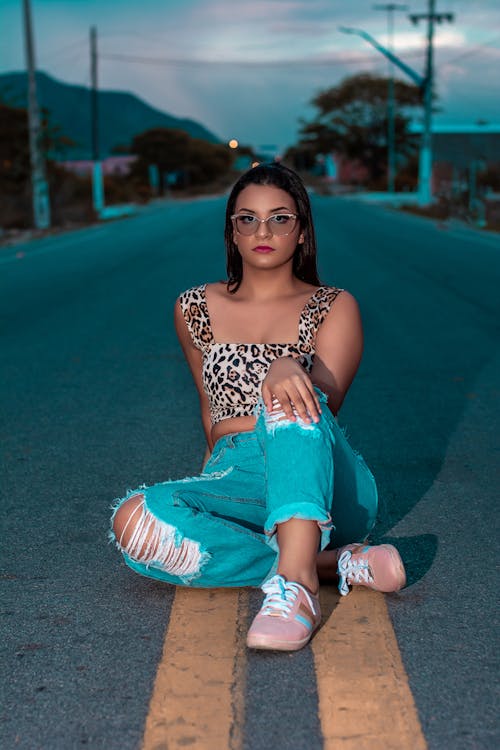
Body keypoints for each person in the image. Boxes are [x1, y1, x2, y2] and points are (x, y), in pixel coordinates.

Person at [110, 162, 406, 652]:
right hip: (237, 478)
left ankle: (298, 586)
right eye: (247, 219)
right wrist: (210, 483)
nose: (262, 231)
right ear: (232, 230)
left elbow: (319, 414)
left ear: (302, 231)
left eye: (280, 218)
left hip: (320, 479)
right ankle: (334, 563)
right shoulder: (194, 308)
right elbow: (211, 413)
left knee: (289, 401)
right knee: (137, 522)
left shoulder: (334, 305)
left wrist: (286, 367)